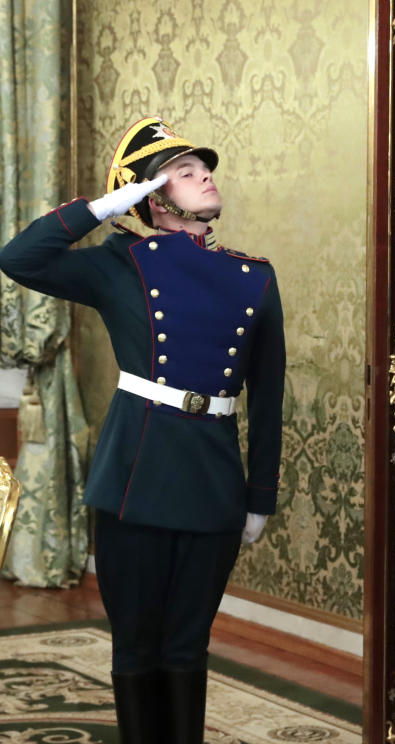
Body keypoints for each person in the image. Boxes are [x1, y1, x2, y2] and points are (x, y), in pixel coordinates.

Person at [0, 116, 285, 743]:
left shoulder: (254, 276)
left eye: (203, 168)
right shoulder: (119, 264)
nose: (205, 175)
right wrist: (111, 204)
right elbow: (18, 257)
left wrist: (260, 493)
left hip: (213, 481)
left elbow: (269, 393)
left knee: (187, 646)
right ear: (153, 199)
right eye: (184, 172)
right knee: (135, 648)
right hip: (136, 477)